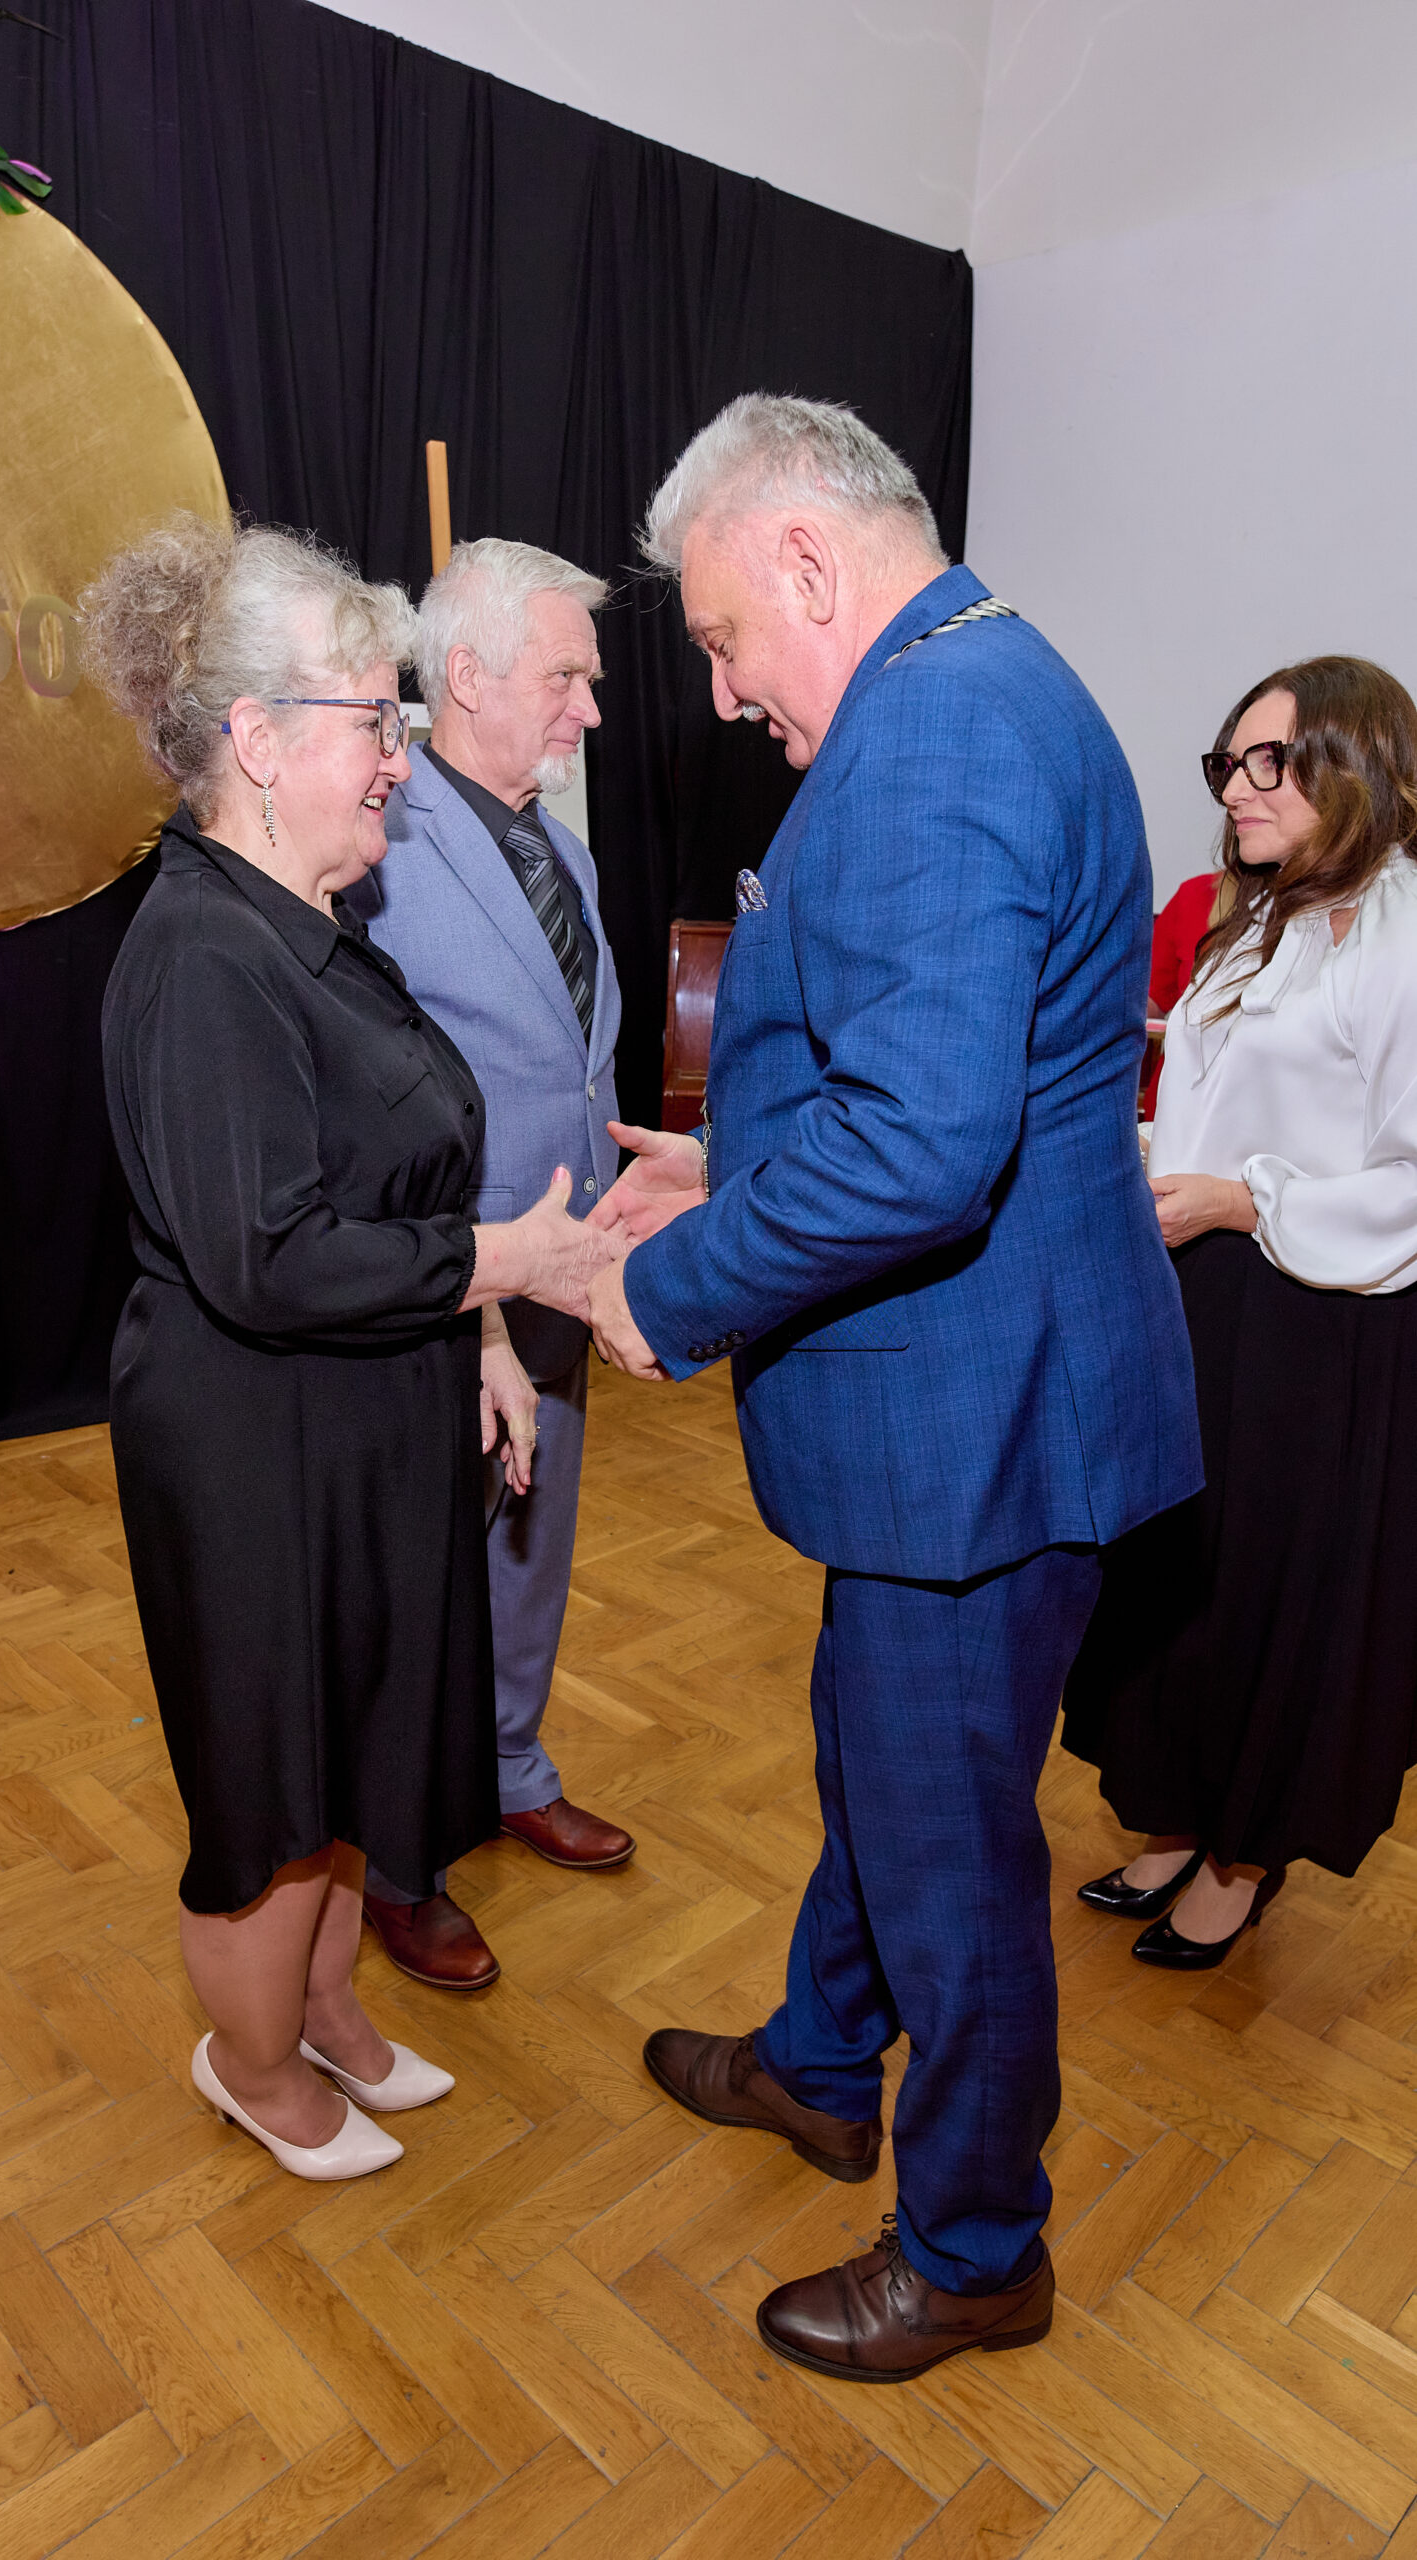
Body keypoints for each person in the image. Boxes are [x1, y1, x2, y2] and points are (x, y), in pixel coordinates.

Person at [585, 394, 1200, 2382]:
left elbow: (924, 1147)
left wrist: (668, 1287)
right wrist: (725, 1162)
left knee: (945, 1848)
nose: (720, 688)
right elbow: (927, 1073)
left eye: (717, 638)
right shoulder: (978, 683)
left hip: (974, 1423)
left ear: (802, 559)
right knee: (884, 1764)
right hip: (984, 1395)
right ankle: (818, 2057)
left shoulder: (933, 728)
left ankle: (971, 2244)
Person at [83, 516, 612, 2183]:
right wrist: (505, 1263)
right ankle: (253, 2064)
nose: (398, 757)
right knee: (269, 1781)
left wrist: (482, 1339)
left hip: (364, 1413)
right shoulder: (201, 952)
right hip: (253, 1447)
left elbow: (391, 1178)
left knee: (343, 1746)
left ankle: (324, 2012)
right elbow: (270, 1255)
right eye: (375, 720)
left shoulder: (314, 917)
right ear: (256, 739)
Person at [1065, 658, 1417, 1967]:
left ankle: (1239, 1855)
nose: (1235, 789)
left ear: (1359, 766)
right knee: (1178, 1576)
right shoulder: (1257, 914)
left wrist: (1243, 1197)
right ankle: (1172, 1813)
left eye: (1271, 761)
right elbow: (1203, 1101)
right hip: (1205, 1292)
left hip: (1321, 1321)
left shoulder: (1402, 937)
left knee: (1273, 1594)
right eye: (1229, 762)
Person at [350, 538, 633, 1991]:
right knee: (422, 1582)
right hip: (443, 1293)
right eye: (567, 676)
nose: (592, 706)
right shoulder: (379, 842)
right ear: (464, 675)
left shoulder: (562, 850)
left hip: (564, 1278)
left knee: (531, 1552)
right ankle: (397, 1859)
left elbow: (572, 1066)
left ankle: (511, 1763)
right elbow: (366, 1093)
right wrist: (468, 1297)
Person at [1144, 870, 1221, 1112]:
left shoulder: (1314, 913)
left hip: (1252, 1107)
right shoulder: (1196, 894)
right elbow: (1151, 1000)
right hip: (1175, 1102)